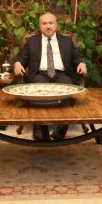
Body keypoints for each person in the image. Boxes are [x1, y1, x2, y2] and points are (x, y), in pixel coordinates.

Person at [13, 12, 87, 141]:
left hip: (61, 74)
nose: (48, 26)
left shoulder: (66, 40)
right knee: (37, 88)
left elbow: (75, 58)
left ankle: (62, 128)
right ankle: (38, 128)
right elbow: (22, 59)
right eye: (44, 23)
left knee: (68, 87)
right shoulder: (32, 41)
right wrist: (18, 64)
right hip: (40, 74)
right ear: (40, 26)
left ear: (55, 24)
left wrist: (81, 63)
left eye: (50, 23)